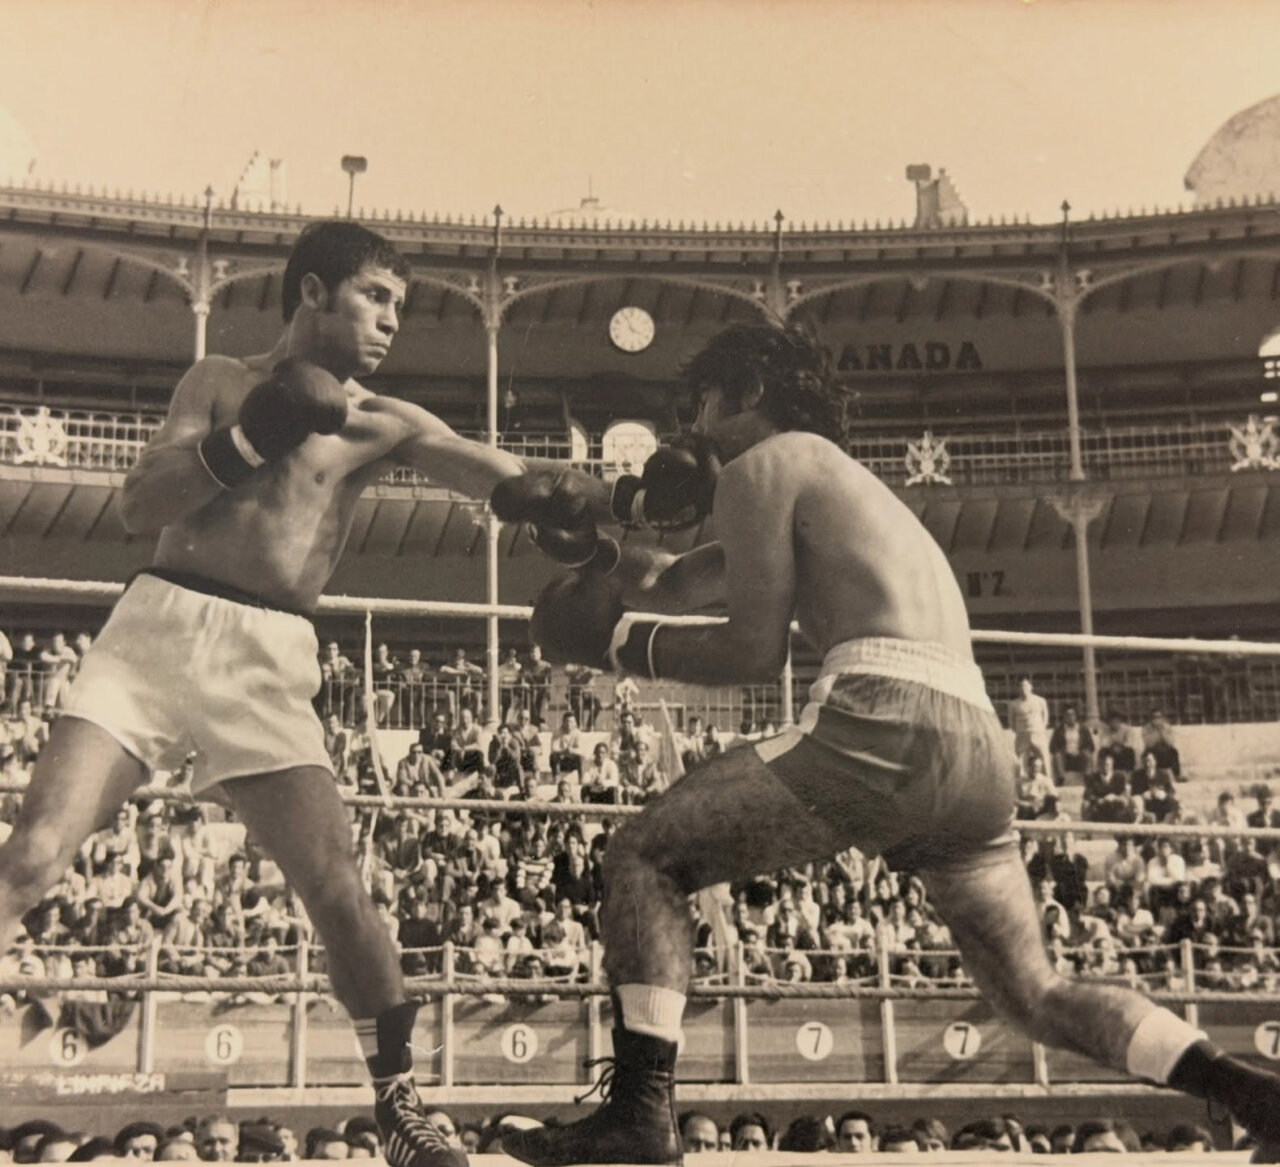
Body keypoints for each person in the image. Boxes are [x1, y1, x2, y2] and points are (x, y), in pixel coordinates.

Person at [490, 322, 1280, 1165]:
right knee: (1035, 992)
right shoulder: (843, 489)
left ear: (747, 393)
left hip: (884, 716)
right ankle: (1250, 1090)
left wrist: (616, 648)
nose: (695, 429)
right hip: (977, 746)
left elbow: (751, 652)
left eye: (702, 405)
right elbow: (671, 581)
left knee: (644, 856)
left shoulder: (765, 463)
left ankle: (639, 1118)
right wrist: (589, 543)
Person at [0, 221, 541, 1167]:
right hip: (158, 629)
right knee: (36, 851)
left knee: (339, 892)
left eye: (401, 308)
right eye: (376, 296)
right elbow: (137, 506)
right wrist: (255, 435)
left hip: (267, 654)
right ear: (313, 292)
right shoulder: (214, 381)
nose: (391, 323)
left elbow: (501, 475)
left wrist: (598, 506)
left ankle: (402, 1109)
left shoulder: (386, 422)